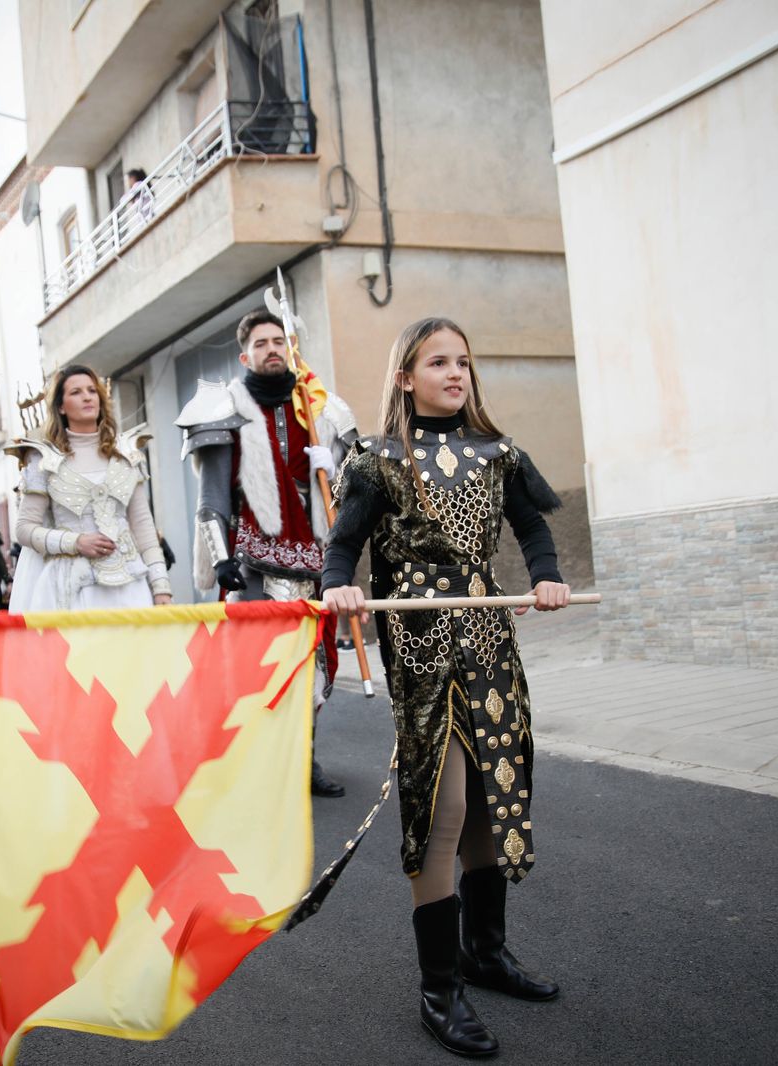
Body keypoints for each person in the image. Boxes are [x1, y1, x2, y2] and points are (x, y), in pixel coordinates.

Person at [321, 317, 571, 1058]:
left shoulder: (499, 453)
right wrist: (339, 590)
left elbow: (533, 533)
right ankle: (439, 989)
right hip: (422, 643)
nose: (456, 372)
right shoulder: (375, 461)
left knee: (495, 797)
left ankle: (483, 955)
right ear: (406, 377)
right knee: (446, 804)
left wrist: (550, 578)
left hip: (491, 639)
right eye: (438, 362)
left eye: (463, 360)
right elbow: (343, 547)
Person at [177, 308, 356, 797]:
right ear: (245, 354)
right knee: (252, 668)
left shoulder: (321, 409)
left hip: (314, 560)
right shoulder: (222, 408)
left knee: (311, 667)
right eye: (261, 343)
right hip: (250, 560)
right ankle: (254, 763)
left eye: (279, 341)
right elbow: (211, 498)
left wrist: (333, 465)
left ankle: (304, 761)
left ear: (290, 347)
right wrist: (219, 559)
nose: (272, 349)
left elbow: (350, 494)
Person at [7, 365, 172, 612]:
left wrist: (161, 588)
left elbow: (143, 527)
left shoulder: (126, 454)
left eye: (92, 391)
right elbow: (24, 529)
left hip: (131, 588)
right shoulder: (43, 459)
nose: (87, 397)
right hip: (69, 590)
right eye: (76, 392)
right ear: (61, 407)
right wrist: (76, 542)